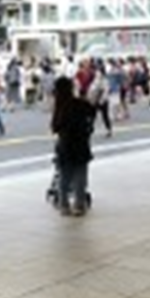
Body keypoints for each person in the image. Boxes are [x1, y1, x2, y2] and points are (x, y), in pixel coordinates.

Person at [51, 76, 96, 217]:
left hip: (65, 145)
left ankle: (64, 205)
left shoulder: (59, 106)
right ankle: (79, 205)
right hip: (81, 144)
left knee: (64, 177)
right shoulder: (79, 103)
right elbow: (92, 111)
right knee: (80, 176)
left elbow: (55, 127)